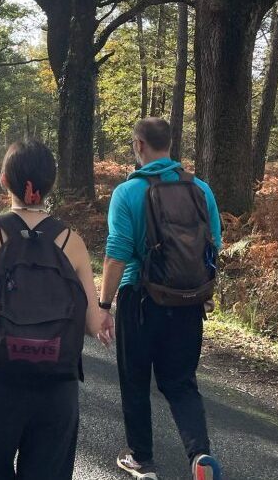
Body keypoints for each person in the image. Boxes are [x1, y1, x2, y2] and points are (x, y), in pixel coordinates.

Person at [0, 140, 112, 480]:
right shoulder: (71, 241)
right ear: (51, 185)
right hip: (57, 384)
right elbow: (93, 322)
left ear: (4, 180)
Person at [101, 118, 222, 480]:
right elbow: (213, 243)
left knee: (135, 379)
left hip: (139, 300)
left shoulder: (128, 192)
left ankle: (142, 460)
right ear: (171, 143)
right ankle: (199, 456)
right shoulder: (200, 188)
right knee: (181, 383)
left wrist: (104, 306)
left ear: (139, 145)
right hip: (187, 301)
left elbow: (116, 254)